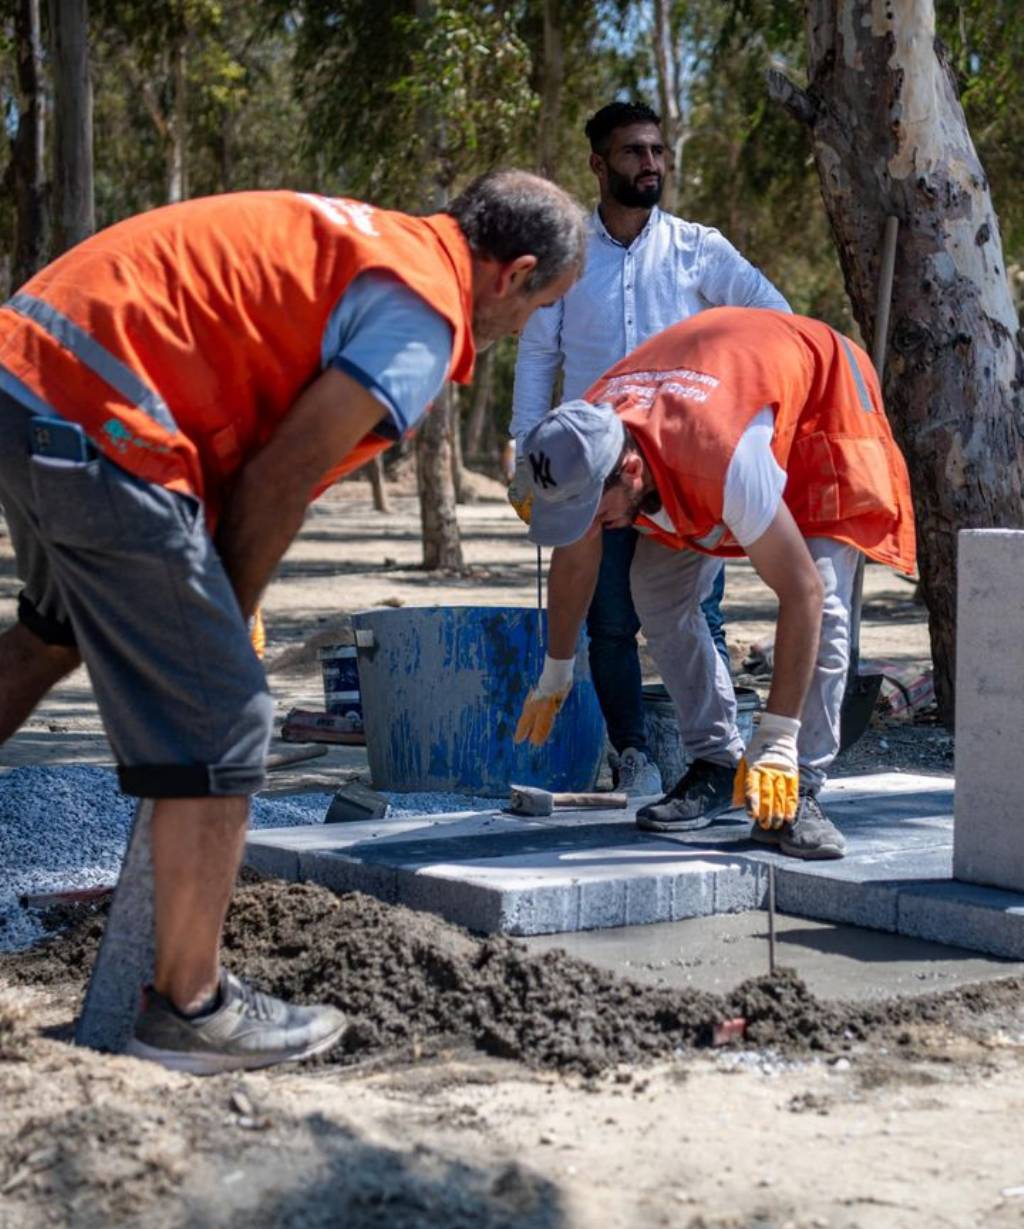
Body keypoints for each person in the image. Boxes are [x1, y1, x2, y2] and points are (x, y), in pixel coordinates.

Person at [0, 171, 586, 1074]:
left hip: (31, 373)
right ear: (511, 274)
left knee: (52, 634)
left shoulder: (377, 244)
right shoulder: (425, 310)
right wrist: (222, 633)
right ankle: (189, 1011)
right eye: (543, 303)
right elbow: (282, 474)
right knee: (224, 714)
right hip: (101, 418)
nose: (528, 327)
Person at [513, 307, 915, 860]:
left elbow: (801, 594)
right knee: (654, 587)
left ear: (629, 472)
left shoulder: (721, 457)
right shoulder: (585, 444)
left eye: (590, 512)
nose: (585, 527)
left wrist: (775, 739)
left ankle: (796, 785)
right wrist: (556, 671)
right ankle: (718, 764)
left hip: (823, 399)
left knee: (824, 597)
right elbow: (575, 559)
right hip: (727, 400)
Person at [508, 100, 790, 797]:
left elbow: (777, 321)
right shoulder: (568, 259)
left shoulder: (700, 249)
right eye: (634, 152)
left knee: (698, 616)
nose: (651, 164)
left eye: (658, 151)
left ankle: (720, 764)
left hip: (681, 470)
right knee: (610, 622)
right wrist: (524, 453)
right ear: (599, 165)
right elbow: (538, 353)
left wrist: (729, 406)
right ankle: (632, 756)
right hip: (592, 469)